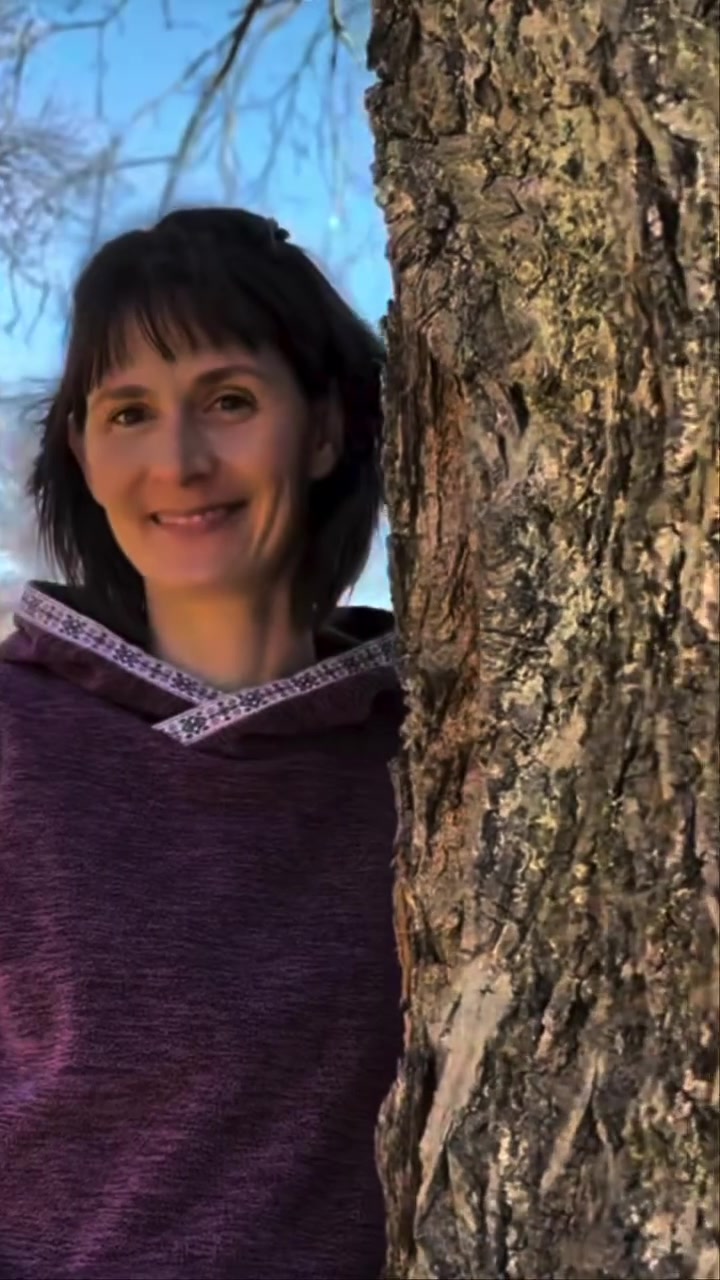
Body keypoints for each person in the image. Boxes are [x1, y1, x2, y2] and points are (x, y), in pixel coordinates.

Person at [0, 207, 403, 1280]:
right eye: (129, 412)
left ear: (323, 429)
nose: (178, 462)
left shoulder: (439, 756)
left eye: (229, 401)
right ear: (84, 453)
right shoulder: (11, 739)